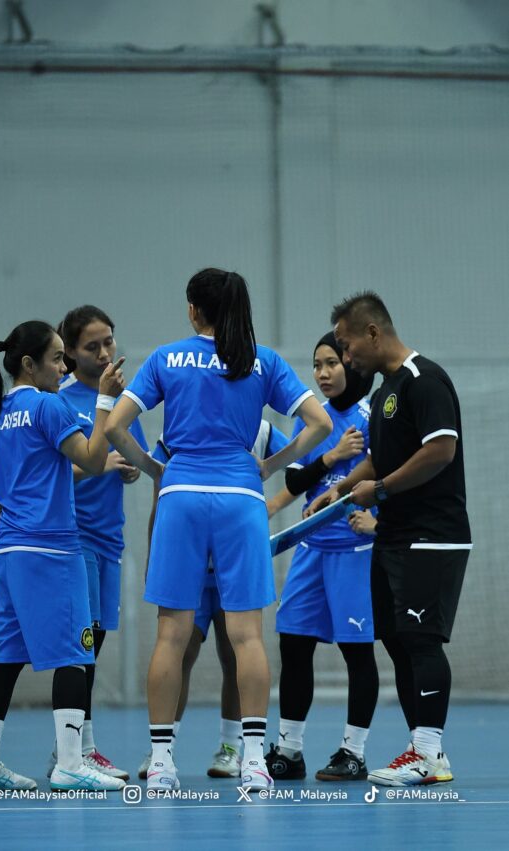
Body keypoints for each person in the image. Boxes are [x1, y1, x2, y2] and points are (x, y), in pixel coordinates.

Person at [105, 268, 332, 791]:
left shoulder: (165, 357)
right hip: (241, 496)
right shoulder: (262, 360)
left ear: (193, 309)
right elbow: (318, 424)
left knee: (171, 633)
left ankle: (160, 763)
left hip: (181, 494)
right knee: (247, 635)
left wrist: (155, 468)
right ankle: (254, 760)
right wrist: (272, 466)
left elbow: (115, 425)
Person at [309, 292, 470, 786]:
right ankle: (419, 748)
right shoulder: (382, 394)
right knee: (399, 643)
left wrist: (378, 490)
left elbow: (440, 450)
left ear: (373, 333)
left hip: (432, 537)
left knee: (420, 642)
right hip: (395, 536)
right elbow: (382, 457)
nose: (347, 355)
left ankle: (430, 754)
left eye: (347, 344)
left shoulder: (426, 380)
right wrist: (339, 490)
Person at [0, 320, 127, 792]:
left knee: (9, 657)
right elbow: (95, 460)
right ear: (29, 364)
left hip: (11, 548)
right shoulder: (49, 404)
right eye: (58, 358)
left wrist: (11, 537)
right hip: (52, 548)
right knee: (77, 652)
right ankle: (71, 763)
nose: (65, 365)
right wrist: (104, 400)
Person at [138, 420, 293, 781]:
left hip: (231, 566)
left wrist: (270, 504)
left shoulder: (262, 431)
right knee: (182, 650)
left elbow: (301, 466)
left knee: (233, 651)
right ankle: (163, 749)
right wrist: (153, 553)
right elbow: (160, 492)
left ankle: (231, 747)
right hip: (189, 566)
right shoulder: (176, 432)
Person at [265, 331, 379, 783]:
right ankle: (290, 750)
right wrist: (331, 456)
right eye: (317, 365)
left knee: (357, 652)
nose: (322, 373)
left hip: (355, 551)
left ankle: (353, 753)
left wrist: (377, 519)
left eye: (332, 362)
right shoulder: (315, 420)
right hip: (311, 549)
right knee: (292, 644)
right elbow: (295, 481)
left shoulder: (371, 418)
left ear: (352, 366)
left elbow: (390, 475)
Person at [50, 305, 147, 782]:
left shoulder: (122, 401)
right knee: (80, 646)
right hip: (74, 538)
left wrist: (128, 469)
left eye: (109, 341)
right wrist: (98, 465)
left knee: (96, 642)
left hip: (110, 539)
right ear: (67, 353)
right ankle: (75, 753)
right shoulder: (59, 402)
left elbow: (131, 456)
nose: (106, 352)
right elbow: (39, 474)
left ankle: (81, 748)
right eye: (93, 346)